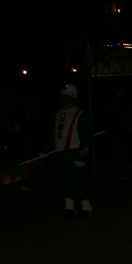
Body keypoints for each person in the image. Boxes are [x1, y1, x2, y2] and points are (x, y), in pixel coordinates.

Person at [53, 84, 93, 218]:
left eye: (65, 96)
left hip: (75, 151)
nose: (62, 98)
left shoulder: (80, 113)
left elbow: (86, 136)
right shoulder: (59, 112)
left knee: (78, 180)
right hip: (62, 151)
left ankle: (86, 206)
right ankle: (68, 206)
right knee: (65, 181)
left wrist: (82, 156)